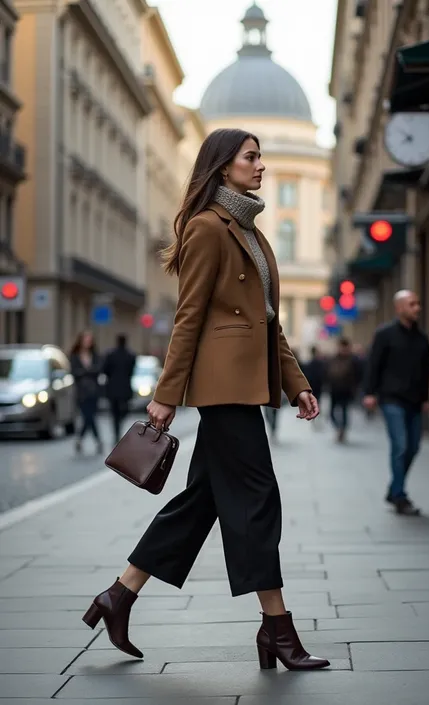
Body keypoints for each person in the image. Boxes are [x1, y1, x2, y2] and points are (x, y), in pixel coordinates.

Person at [82, 128, 329, 672]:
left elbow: (269, 326)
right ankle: (277, 629)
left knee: (201, 504)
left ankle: (118, 597)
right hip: (224, 392)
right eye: (251, 157)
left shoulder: (251, 233)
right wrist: (166, 395)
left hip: (246, 387)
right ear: (223, 167)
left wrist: (298, 383)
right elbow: (188, 316)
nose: (261, 166)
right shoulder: (207, 230)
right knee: (259, 500)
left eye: (261, 157)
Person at [363, 290, 429, 515]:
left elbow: (426, 370)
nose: (417, 308)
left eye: (418, 304)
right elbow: (373, 364)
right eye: (412, 304)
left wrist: (426, 397)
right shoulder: (385, 334)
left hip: (414, 400)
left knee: (413, 447)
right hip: (391, 398)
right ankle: (400, 496)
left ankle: (394, 488)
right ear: (399, 308)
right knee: (400, 446)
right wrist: (370, 392)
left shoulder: (422, 338)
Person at [70, 330, 103, 455]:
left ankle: (80, 439)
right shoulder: (74, 355)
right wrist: (88, 371)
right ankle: (98, 440)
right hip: (81, 392)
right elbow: (74, 372)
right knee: (88, 416)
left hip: (94, 391)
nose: (88, 342)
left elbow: (98, 370)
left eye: (90, 340)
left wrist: (85, 372)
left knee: (89, 416)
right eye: (86, 339)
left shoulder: (95, 355)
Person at [103, 334, 136, 445]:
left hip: (113, 388)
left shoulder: (111, 355)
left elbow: (105, 370)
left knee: (115, 413)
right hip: (125, 388)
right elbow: (132, 371)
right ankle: (118, 430)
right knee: (123, 410)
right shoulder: (131, 355)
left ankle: (117, 431)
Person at [326, 338, 361, 442]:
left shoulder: (354, 360)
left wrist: (355, 388)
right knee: (332, 412)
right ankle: (338, 427)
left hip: (347, 390)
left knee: (345, 411)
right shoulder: (333, 359)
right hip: (334, 390)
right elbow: (327, 372)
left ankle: (343, 430)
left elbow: (359, 375)